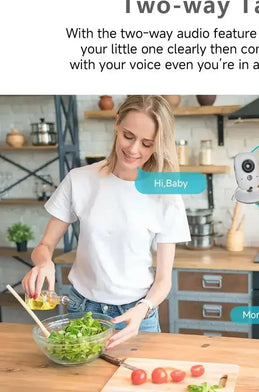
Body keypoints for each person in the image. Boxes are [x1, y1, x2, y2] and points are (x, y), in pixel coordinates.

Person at [21, 95, 190, 349]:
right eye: (128, 136)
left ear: (158, 145)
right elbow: (43, 246)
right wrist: (44, 263)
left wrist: (143, 309)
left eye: (146, 143)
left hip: (137, 315)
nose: (134, 150)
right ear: (116, 125)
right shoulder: (79, 180)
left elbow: (164, 280)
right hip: (82, 311)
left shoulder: (165, 193)